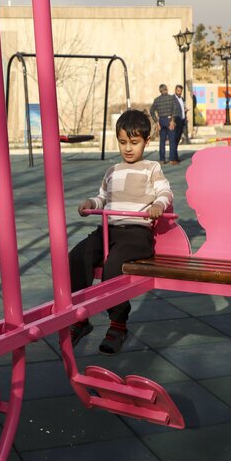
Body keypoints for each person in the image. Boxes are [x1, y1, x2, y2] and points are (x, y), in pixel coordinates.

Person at [66, 109, 173, 355]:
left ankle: (118, 324)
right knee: (76, 257)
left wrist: (158, 205)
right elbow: (103, 198)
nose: (128, 148)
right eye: (123, 142)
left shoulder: (151, 168)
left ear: (146, 141)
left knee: (113, 266)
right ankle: (80, 317)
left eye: (134, 142)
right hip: (108, 229)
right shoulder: (112, 170)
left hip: (136, 233)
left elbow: (165, 192)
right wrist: (91, 203)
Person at [149, 84, 180, 164]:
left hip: (161, 121)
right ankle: (172, 159)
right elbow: (175, 110)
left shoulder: (157, 100)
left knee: (162, 141)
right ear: (166, 89)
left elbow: (151, 111)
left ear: (160, 91)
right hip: (169, 120)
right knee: (172, 141)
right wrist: (172, 120)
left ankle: (162, 159)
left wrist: (157, 122)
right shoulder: (171, 98)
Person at [173, 84, 187, 148]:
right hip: (176, 120)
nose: (179, 92)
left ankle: (175, 151)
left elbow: (183, 107)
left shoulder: (182, 99)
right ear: (175, 90)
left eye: (181, 91)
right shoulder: (172, 98)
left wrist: (185, 109)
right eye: (178, 91)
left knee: (179, 137)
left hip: (182, 120)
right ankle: (173, 152)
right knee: (175, 137)